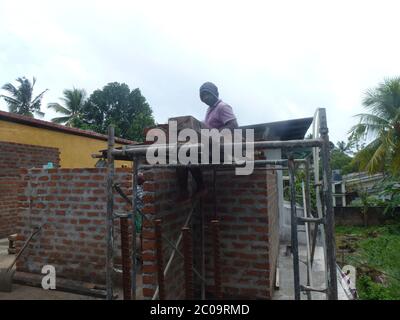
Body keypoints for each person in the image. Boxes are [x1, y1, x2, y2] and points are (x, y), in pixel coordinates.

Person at [176, 82, 238, 201]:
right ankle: (186, 191)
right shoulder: (210, 109)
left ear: (215, 93)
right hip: (209, 147)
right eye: (202, 96)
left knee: (186, 154)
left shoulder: (222, 107)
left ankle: (200, 187)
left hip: (220, 149)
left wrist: (214, 134)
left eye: (207, 94)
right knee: (182, 154)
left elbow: (233, 125)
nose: (205, 98)